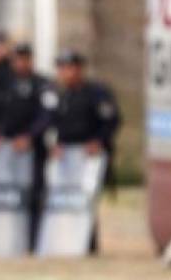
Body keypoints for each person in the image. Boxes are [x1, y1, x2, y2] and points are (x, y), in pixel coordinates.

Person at [51, 49, 120, 254]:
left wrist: (98, 141)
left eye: (70, 68)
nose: (66, 73)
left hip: (89, 157)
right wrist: (56, 144)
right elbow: (55, 125)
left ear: (80, 69)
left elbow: (111, 120)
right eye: (62, 68)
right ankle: (66, 242)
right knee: (65, 198)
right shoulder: (60, 94)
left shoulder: (97, 93)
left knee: (86, 199)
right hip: (66, 157)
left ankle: (88, 244)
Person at [0, 43, 55, 252]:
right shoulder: (5, 83)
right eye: (17, 58)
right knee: (7, 194)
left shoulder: (42, 84)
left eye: (25, 58)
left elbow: (46, 115)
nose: (21, 63)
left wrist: (30, 136)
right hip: (7, 151)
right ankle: (9, 240)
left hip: (34, 150)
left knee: (34, 194)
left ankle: (33, 241)